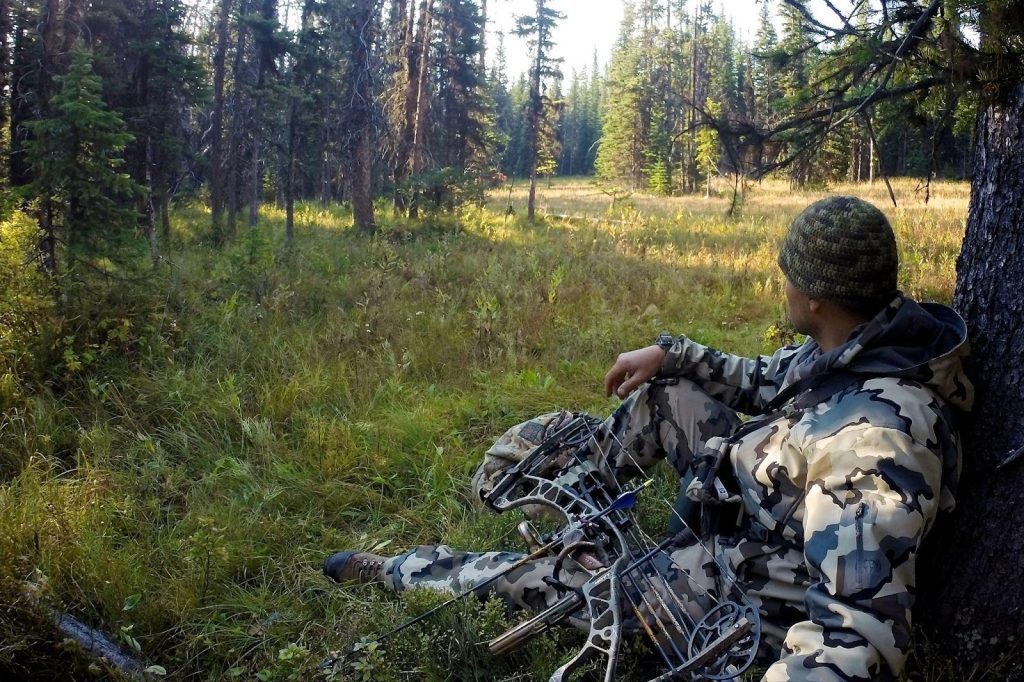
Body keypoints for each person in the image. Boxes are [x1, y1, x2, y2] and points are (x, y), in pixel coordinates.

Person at [324, 196, 973, 681]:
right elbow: (763, 380)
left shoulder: (874, 447)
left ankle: (409, 571)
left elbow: (855, 642)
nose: (784, 286)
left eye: (790, 276)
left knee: (555, 583)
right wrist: (672, 354)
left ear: (817, 298)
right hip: (753, 498)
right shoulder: (868, 342)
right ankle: (582, 502)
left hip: (744, 582)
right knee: (667, 395)